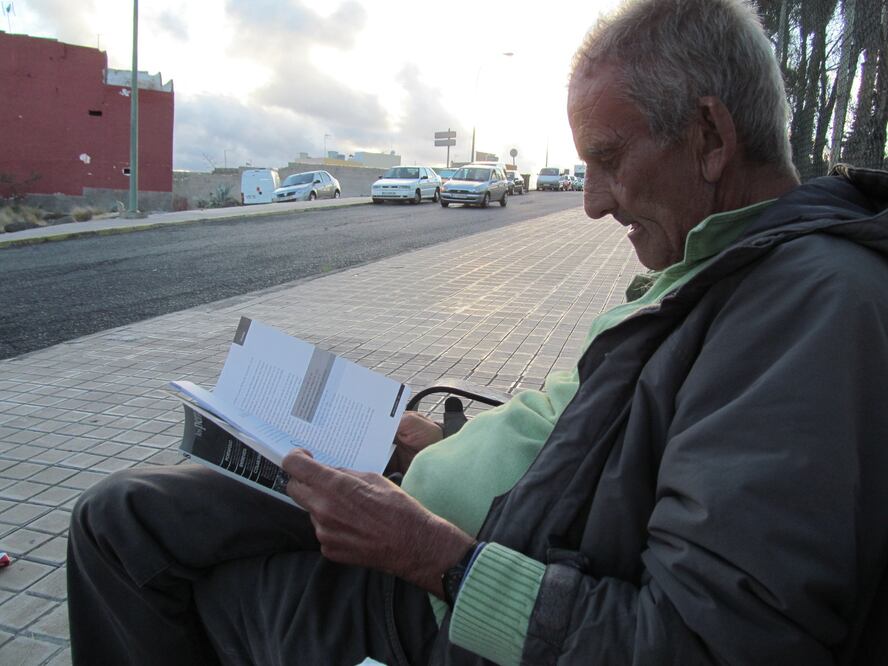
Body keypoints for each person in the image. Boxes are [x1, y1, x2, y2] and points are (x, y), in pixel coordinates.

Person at [67, 0, 888, 663]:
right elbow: (591, 443)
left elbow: (707, 643)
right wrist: (438, 446)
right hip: (431, 513)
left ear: (710, 137)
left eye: (608, 159)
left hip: (448, 597)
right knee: (131, 511)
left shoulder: (809, 310)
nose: (592, 202)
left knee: (128, 550)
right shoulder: (719, 265)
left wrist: (430, 556)